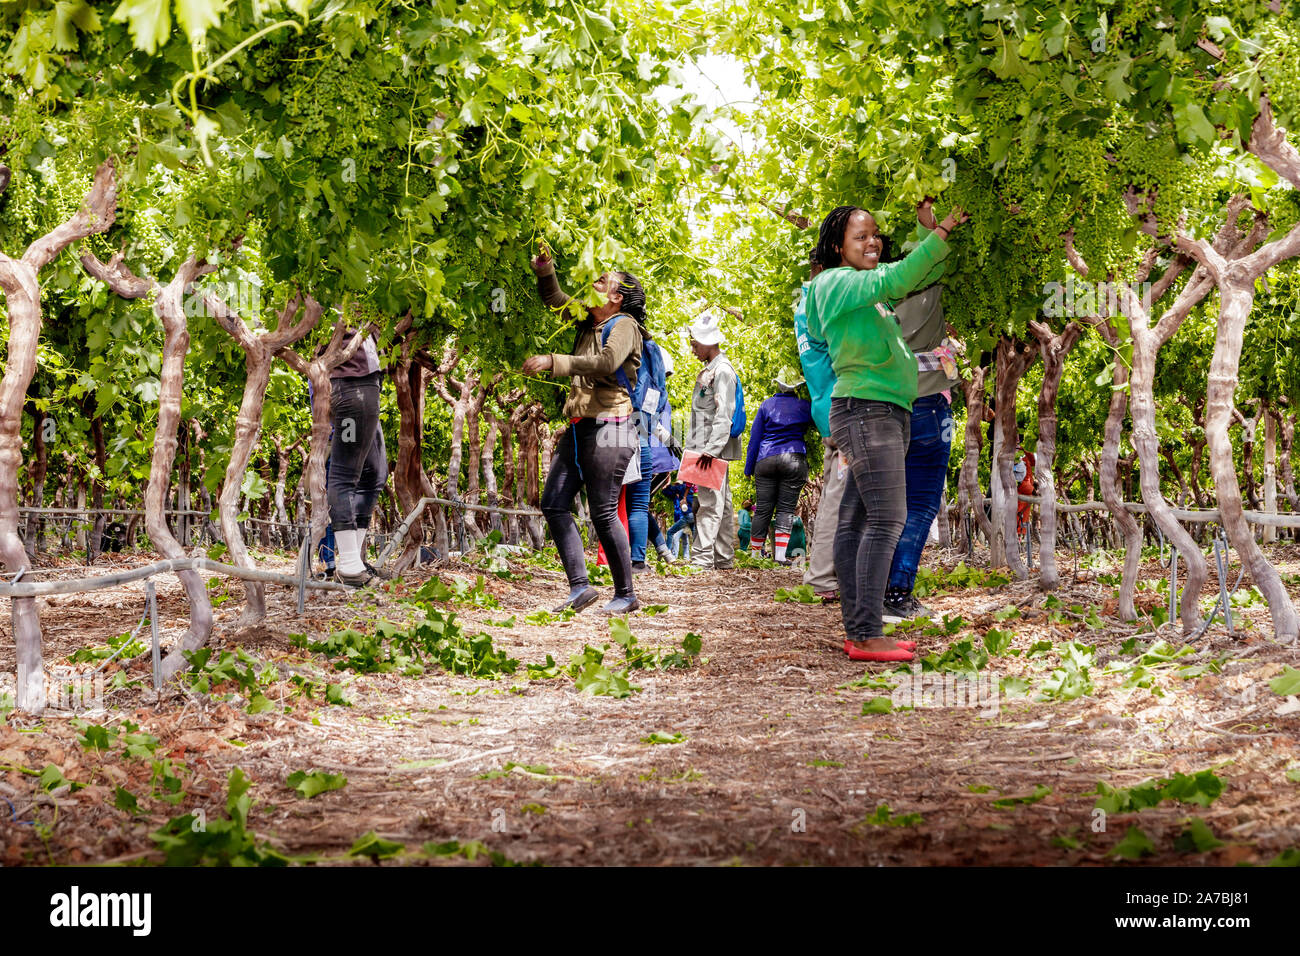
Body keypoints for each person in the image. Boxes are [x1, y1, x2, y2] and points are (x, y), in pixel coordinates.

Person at [805, 202, 968, 662]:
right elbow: (896, 278)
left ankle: (861, 630)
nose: (873, 242)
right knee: (888, 518)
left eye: (876, 234)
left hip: (879, 410)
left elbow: (907, 277)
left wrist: (929, 233)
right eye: (861, 236)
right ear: (838, 246)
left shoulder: (858, 292)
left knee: (858, 521)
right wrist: (946, 229)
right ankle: (869, 632)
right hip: (867, 411)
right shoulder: (836, 281)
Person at [522, 250, 644, 614]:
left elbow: (606, 362)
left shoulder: (624, 325)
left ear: (617, 297)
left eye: (602, 281)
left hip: (612, 426)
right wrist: (546, 270)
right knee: (554, 503)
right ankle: (581, 587)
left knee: (604, 512)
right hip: (580, 427)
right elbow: (556, 300)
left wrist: (554, 362)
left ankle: (626, 594)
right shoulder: (588, 322)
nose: (593, 283)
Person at [882, 199, 962, 620]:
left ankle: (872, 589)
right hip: (929, 405)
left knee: (886, 505)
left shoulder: (871, 291)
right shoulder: (927, 281)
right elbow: (930, 250)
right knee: (922, 502)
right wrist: (934, 223)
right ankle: (896, 594)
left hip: (885, 407)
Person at [795, 255, 844, 602]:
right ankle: (823, 578)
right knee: (838, 499)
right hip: (843, 408)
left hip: (827, 408)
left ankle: (830, 573)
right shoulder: (825, 301)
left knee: (834, 495)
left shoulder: (805, 303)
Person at [328, 324, 389, 587]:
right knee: (345, 473)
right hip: (351, 386)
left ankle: (354, 561)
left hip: (366, 386)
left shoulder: (366, 302)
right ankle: (349, 567)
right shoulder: (332, 292)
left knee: (375, 473)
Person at [684, 313, 743, 570]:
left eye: (695, 344)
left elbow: (724, 415)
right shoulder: (713, 371)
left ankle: (701, 560)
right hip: (710, 447)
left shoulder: (722, 372)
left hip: (711, 449)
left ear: (708, 343)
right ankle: (723, 558)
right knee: (723, 503)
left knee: (709, 504)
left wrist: (710, 451)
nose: (693, 349)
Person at [744, 367, 813, 564]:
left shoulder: (767, 405)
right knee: (785, 509)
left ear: (779, 384)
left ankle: (756, 556)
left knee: (763, 508)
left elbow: (755, 439)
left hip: (765, 459)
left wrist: (749, 469)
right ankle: (781, 556)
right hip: (793, 458)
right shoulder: (805, 406)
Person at [632, 346, 680, 569]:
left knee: (636, 507)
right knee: (640, 507)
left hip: (651, 458)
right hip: (661, 461)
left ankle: (640, 557)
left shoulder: (649, 391)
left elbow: (644, 422)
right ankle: (663, 551)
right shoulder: (660, 393)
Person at [663, 480, 697, 558]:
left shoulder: (682, 487)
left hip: (687, 516)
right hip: (694, 515)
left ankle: (669, 556)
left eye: (677, 484)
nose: (676, 485)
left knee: (670, 532)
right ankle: (693, 557)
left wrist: (667, 481)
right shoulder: (694, 488)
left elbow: (666, 490)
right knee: (694, 537)